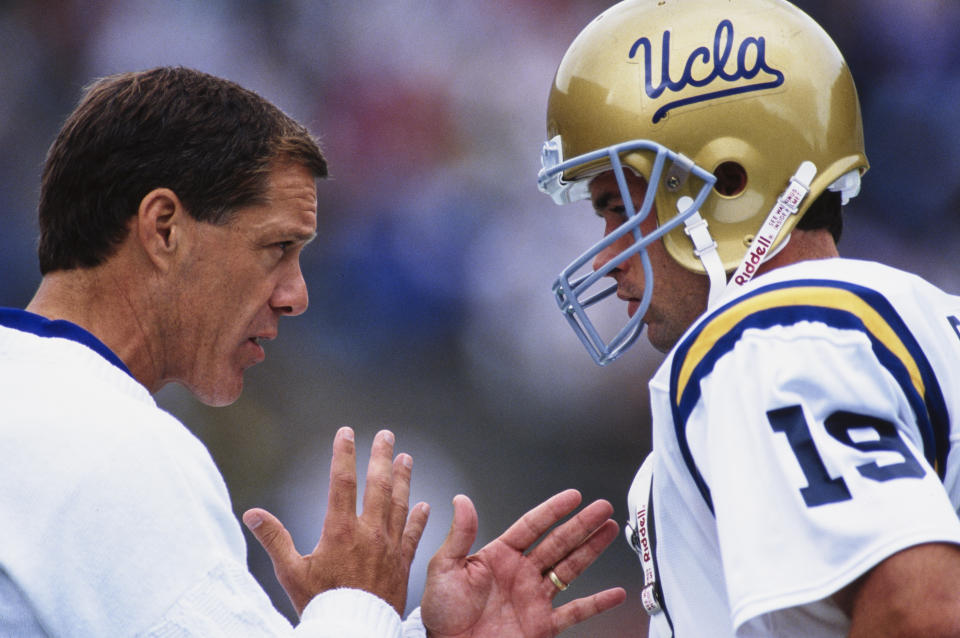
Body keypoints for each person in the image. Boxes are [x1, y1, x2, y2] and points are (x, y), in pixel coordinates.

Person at [0, 66, 626, 637]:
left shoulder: (42, 409)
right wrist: (358, 596)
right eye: (277, 248)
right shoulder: (110, 444)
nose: (297, 295)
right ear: (164, 228)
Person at [536, 0, 960, 636]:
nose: (606, 255)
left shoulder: (766, 339)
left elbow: (919, 609)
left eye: (618, 204)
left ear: (730, 182)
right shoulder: (920, 314)